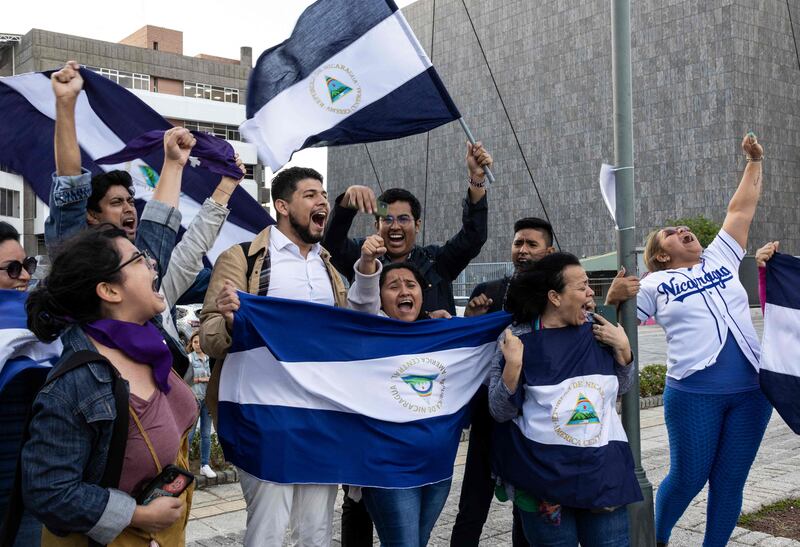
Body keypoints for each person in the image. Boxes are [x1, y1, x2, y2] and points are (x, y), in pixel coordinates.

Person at [630, 134, 772, 547]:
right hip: (694, 393)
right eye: (672, 232)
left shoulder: (721, 256)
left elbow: (740, 209)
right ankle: (656, 539)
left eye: (685, 227)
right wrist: (614, 298)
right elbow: (618, 326)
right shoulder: (654, 283)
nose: (684, 229)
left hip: (752, 391)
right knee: (689, 477)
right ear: (660, 254)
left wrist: (754, 162)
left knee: (730, 482)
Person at [21, 225, 198, 545]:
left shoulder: (153, 343)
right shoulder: (76, 383)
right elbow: (48, 492)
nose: (153, 264)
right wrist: (137, 514)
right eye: (139, 260)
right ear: (110, 291)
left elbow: (165, 228)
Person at [200, 166, 347, 547]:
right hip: (264, 417)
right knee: (267, 529)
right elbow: (208, 334)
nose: (323, 203)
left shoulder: (328, 267)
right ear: (282, 205)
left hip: (321, 416)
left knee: (317, 531)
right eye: (311, 195)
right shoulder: (242, 259)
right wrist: (232, 323)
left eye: (324, 195)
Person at [46, 61, 246, 341]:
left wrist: (180, 166)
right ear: (107, 290)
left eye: (131, 201)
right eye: (116, 203)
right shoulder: (80, 282)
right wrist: (66, 105)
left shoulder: (153, 282)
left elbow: (182, 242)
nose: (151, 267)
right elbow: (69, 192)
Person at [489, 253, 639, 546]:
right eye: (582, 286)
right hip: (543, 484)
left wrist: (625, 353)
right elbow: (499, 411)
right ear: (555, 297)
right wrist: (513, 367)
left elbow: (618, 388)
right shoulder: (516, 337)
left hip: (601, 476)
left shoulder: (599, 329)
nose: (591, 292)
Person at [342, 235, 453, 546]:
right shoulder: (370, 332)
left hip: (437, 469)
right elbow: (361, 303)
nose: (404, 290)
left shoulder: (439, 335)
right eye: (393, 286)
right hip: (388, 468)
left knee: (416, 541)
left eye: (411, 285)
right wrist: (367, 264)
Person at [322, 143, 492, 319]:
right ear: (376, 227)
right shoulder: (363, 255)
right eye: (387, 219)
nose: (395, 226)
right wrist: (347, 204)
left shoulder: (437, 261)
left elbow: (473, 236)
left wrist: (477, 180)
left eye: (403, 219)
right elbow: (330, 245)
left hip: (435, 346)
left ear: (417, 225)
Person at [0, 222, 42, 546]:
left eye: (27, 265)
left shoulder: (42, 326)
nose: (25, 276)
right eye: (12, 269)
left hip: (26, 500)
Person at [184, 332, 216, 479]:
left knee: (206, 434)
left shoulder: (210, 359)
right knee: (189, 435)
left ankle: (205, 465)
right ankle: (184, 465)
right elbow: (186, 380)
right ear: (192, 343)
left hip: (207, 400)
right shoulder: (189, 359)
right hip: (194, 400)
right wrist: (203, 379)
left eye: (200, 341)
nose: (198, 344)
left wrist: (204, 379)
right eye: (195, 342)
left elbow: (214, 378)